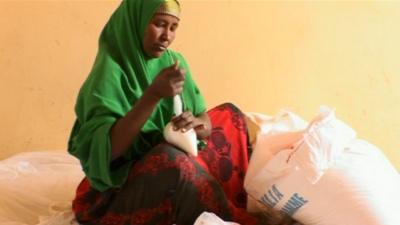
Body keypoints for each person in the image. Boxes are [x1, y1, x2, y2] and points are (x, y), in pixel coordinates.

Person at [68, 0, 291, 224]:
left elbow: (204, 121)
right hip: (116, 191)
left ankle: (220, 198)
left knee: (229, 115)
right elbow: (108, 152)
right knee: (172, 161)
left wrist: (195, 124)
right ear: (135, 22)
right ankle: (233, 216)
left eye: (173, 27)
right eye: (159, 24)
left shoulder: (173, 61)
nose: (167, 35)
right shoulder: (109, 73)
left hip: (164, 152)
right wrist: (152, 96)